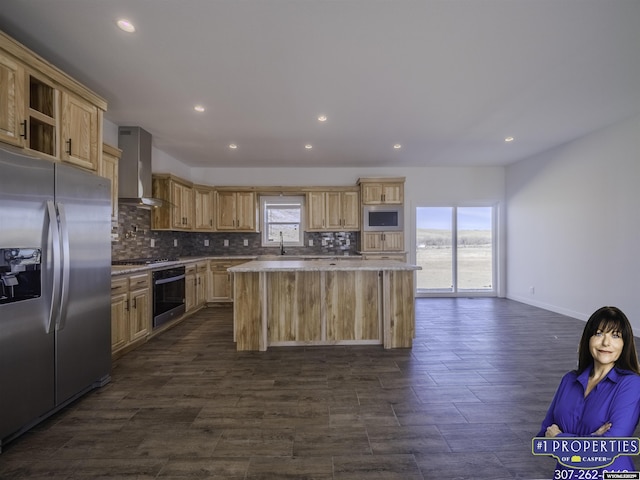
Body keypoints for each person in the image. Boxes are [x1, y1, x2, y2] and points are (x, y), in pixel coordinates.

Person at [538, 306, 640, 476]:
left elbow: (608, 448)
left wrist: (560, 439)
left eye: (615, 336)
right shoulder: (569, 380)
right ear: (588, 339)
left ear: (625, 343)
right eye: (599, 333)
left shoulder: (632, 384)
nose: (606, 343)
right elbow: (542, 439)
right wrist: (593, 439)